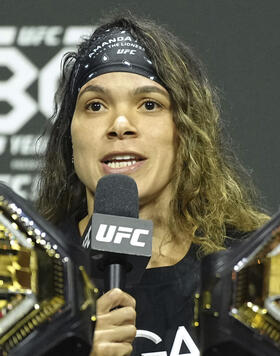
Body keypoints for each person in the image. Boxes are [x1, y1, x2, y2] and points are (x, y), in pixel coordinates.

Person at [36, 13, 269, 356]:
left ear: (185, 131)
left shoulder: (252, 271)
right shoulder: (29, 283)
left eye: (149, 104)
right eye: (95, 105)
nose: (119, 124)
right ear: (69, 137)